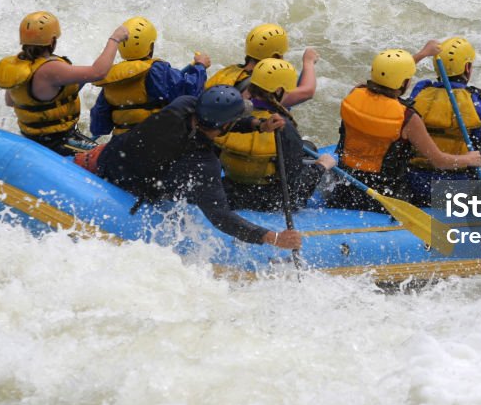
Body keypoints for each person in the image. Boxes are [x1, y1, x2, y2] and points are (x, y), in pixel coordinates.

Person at [93, 85, 302, 249]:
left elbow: (214, 124)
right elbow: (220, 217)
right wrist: (272, 238)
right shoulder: (204, 164)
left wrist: (257, 125)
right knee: (193, 190)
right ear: (225, 126)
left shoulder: (183, 105)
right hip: (131, 190)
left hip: (108, 161)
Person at [324, 43, 481, 213]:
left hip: (344, 185)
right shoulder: (408, 118)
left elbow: (388, 75)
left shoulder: (355, 93)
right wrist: (469, 159)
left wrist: (421, 54)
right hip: (382, 197)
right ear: (405, 82)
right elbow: (439, 161)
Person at [407, 36, 481, 206]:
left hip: (413, 183)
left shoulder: (419, 91)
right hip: (457, 191)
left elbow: (398, 77)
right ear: (467, 67)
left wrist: (420, 54)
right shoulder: (479, 105)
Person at [0, 11, 128, 156]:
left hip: (31, 137)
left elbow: (10, 101)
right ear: (52, 41)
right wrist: (114, 39)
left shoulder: (18, 67)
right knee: (111, 156)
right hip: (57, 142)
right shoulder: (50, 69)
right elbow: (98, 72)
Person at [214, 58, 336, 211]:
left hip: (230, 192)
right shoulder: (282, 127)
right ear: (278, 91)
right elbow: (296, 186)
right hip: (268, 201)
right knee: (313, 156)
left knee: (307, 147)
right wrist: (321, 166)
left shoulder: (229, 114)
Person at [89, 16, 211, 138]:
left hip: (122, 146)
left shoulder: (111, 80)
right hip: (154, 143)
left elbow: (99, 128)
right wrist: (200, 66)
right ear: (150, 46)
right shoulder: (157, 70)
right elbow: (191, 92)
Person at [204, 22, 319, 107]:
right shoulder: (263, 88)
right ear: (275, 57)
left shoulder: (229, 71)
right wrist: (308, 62)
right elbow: (307, 92)